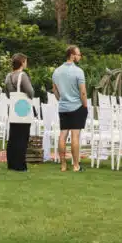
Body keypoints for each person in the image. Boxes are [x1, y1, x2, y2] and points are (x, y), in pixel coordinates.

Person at [51, 45, 88, 173]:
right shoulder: (78, 71)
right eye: (78, 54)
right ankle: (76, 165)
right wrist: (85, 105)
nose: (80, 56)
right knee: (75, 136)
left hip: (63, 107)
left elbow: (55, 91)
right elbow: (83, 92)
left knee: (62, 135)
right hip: (77, 106)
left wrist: (61, 100)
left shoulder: (56, 71)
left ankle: (63, 165)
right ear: (72, 55)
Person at [2, 53, 35, 172]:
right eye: (25, 61)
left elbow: (6, 93)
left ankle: (11, 163)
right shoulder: (22, 75)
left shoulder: (8, 76)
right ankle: (20, 165)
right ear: (22, 62)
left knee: (13, 136)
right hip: (22, 110)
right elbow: (30, 92)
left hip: (13, 109)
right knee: (22, 136)